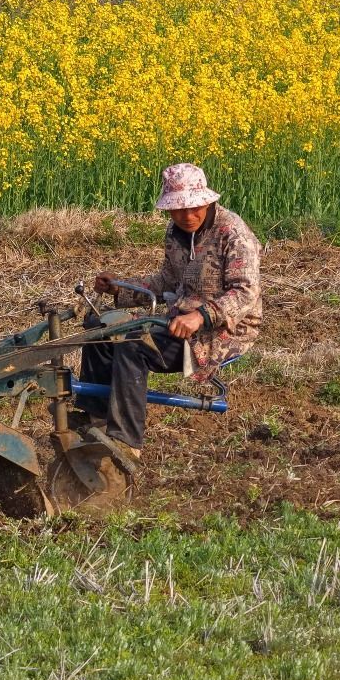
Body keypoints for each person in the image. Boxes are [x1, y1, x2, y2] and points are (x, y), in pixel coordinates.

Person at [77, 163, 263, 460]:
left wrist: (201, 316)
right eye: (178, 210)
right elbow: (167, 280)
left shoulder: (232, 233)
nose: (186, 216)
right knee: (102, 332)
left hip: (224, 330)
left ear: (207, 201)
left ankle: (126, 443)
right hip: (179, 318)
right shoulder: (176, 233)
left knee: (132, 346)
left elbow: (245, 292)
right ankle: (95, 421)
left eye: (193, 208)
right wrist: (120, 288)